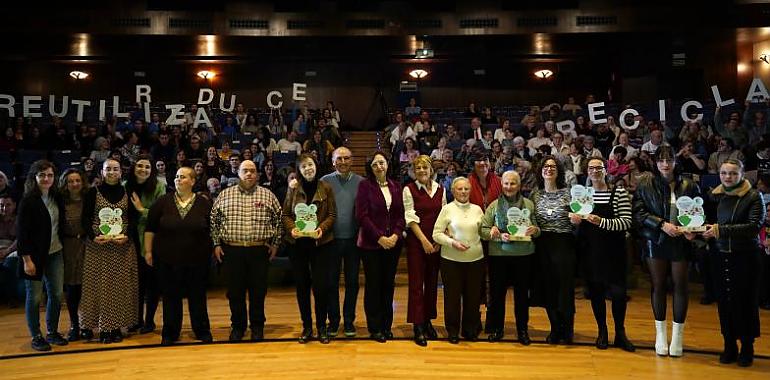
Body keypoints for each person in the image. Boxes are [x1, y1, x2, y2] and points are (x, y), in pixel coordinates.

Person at [632, 145, 700, 357]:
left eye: (669, 159)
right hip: (656, 240)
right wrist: (661, 224)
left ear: (675, 161)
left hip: (681, 242)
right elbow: (638, 212)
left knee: (681, 286)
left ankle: (677, 337)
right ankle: (660, 335)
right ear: (656, 162)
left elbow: (699, 212)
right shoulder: (645, 183)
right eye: (661, 160)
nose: (665, 164)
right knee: (658, 285)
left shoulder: (689, 184)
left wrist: (694, 231)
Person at [699, 159, 763, 367]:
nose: (728, 177)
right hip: (719, 255)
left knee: (745, 302)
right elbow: (708, 223)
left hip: (744, 256)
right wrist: (700, 232)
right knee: (724, 303)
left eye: (733, 174)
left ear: (742, 174)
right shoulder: (715, 195)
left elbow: (753, 227)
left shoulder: (754, 196)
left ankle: (747, 346)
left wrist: (720, 230)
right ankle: (729, 344)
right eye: (724, 173)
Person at [211, 160, 283, 342]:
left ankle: (257, 326)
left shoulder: (268, 196)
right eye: (245, 171)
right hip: (232, 250)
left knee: (258, 291)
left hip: (258, 250)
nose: (249, 174)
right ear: (239, 174)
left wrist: (275, 243)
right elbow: (214, 222)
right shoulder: (224, 195)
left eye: (252, 171)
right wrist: (216, 244)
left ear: (257, 174)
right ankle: (238, 326)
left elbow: (279, 221)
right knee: (234, 292)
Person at [145, 166, 214, 346]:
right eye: (176, 176)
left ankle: (202, 330)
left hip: (197, 260)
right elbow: (150, 228)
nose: (177, 179)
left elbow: (213, 230)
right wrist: (148, 251)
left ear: (192, 181)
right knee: (170, 297)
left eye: (182, 177)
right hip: (168, 260)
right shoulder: (162, 202)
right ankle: (170, 333)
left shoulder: (204, 203)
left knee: (197, 297)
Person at [573, 157, 635, 352]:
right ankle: (602, 331)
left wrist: (602, 222)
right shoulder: (582, 195)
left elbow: (626, 222)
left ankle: (620, 333)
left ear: (605, 170)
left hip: (614, 252)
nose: (594, 171)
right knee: (596, 294)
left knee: (618, 294)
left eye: (598, 168)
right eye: (591, 168)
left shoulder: (618, 192)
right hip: (590, 252)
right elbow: (575, 219)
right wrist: (573, 219)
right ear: (586, 172)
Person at [80, 158, 138, 344]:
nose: (112, 172)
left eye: (115, 169)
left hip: (122, 247)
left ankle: (116, 327)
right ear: (102, 172)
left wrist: (127, 235)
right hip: (98, 247)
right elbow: (85, 218)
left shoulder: (127, 191)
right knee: (99, 288)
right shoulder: (92, 192)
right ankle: (103, 328)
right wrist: (92, 236)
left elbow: (133, 217)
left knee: (120, 289)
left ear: (121, 172)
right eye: (108, 169)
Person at [480, 170, 539, 345]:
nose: (509, 186)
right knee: (497, 295)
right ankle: (498, 329)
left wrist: (534, 230)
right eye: (506, 183)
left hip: (524, 256)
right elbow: (482, 230)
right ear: (501, 185)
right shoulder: (493, 206)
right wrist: (492, 232)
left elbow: (537, 228)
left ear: (519, 185)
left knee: (522, 296)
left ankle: (522, 330)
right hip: (499, 256)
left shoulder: (528, 204)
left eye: (513, 183)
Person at [283, 154, 337, 344]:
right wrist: (292, 229)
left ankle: (322, 326)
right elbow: (286, 214)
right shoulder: (293, 188)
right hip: (297, 245)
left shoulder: (326, 188)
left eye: (311, 164)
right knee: (302, 287)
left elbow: (331, 214)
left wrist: (322, 228)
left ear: (316, 166)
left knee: (321, 287)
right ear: (299, 169)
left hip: (321, 245)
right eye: (304, 166)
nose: (308, 168)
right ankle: (307, 327)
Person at [17, 160, 67, 351]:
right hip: (34, 257)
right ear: (34, 177)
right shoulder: (28, 201)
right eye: (42, 175)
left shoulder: (57, 197)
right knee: (35, 297)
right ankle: (36, 335)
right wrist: (27, 260)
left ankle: (52, 332)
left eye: (50, 175)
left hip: (56, 252)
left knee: (56, 294)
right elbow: (22, 234)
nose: (46, 178)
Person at [355, 151, 405, 342]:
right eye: (375, 164)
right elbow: (362, 216)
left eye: (381, 163)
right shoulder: (364, 186)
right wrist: (379, 238)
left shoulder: (396, 186)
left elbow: (401, 215)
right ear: (370, 167)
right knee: (374, 286)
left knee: (388, 285)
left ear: (387, 164)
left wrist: (395, 235)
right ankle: (375, 328)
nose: (379, 167)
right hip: (371, 245)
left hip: (393, 244)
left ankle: (387, 326)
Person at [432, 177, 485, 343]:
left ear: (470, 190)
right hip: (451, 260)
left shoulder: (477, 209)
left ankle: (470, 330)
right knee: (452, 298)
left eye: (466, 189)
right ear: (453, 191)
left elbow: (483, 232)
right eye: (460, 189)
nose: (463, 192)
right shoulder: (447, 209)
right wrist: (452, 242)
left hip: (476, 260)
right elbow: (437, 234)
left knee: (473, 297)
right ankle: (453, 331)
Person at [530, 156, 576, 345]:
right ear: (541, 171)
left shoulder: (569, 193)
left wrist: (577, 219)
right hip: (542, 243)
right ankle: (555, 328)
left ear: (559, 171)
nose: (549, 169)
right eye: (546, 166)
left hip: (564, 242)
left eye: (553, 166)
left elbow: (580, 215)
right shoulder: (535, 194)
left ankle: (567, 329)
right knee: (548, 287)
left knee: (564, 288)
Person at [402, 155, 446, 346]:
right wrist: (424, 241)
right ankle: (418, 325)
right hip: (417, 242)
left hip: (436, 242)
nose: (421, 171)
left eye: (424, 168)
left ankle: (428, 320)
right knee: (416, 284)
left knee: (431, 283)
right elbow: (410, 218)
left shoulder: (441, 189)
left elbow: (444, 216)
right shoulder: (409, 189)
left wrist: (438, 240)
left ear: (431, 170)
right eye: (418, 168)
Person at [321, 147, 364, 338]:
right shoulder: (324, 181)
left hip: (354, 241)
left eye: (347, 158)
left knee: (352, 283)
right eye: (339, 158)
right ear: (333, 161)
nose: (343, 161)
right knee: (330, 283)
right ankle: (333, 321)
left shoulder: (361, 182)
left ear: (352, 160)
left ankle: (348, 321)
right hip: (330, 240)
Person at [125, 155, 167, 334]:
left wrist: (142, 210)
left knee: (152, 284)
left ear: (152, 170)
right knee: (135, 285)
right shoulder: (124, 186)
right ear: (134, 167)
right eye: (140, 166)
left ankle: (149, 321)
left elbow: (161, 215)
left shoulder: (159, 186)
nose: (143, 169)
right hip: (128, 239)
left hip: (150, 240)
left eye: (147, 167)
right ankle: (136, 320)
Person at [58, 169, 89, 342]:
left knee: (86, 288)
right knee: (72, 288)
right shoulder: (61, 202)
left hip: (87, 245)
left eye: (77, 180)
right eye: (71, 181)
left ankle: (86, 324)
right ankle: (74, 324)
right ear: (65, 184)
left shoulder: (88, 199)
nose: (75, 184)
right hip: (68, 246)